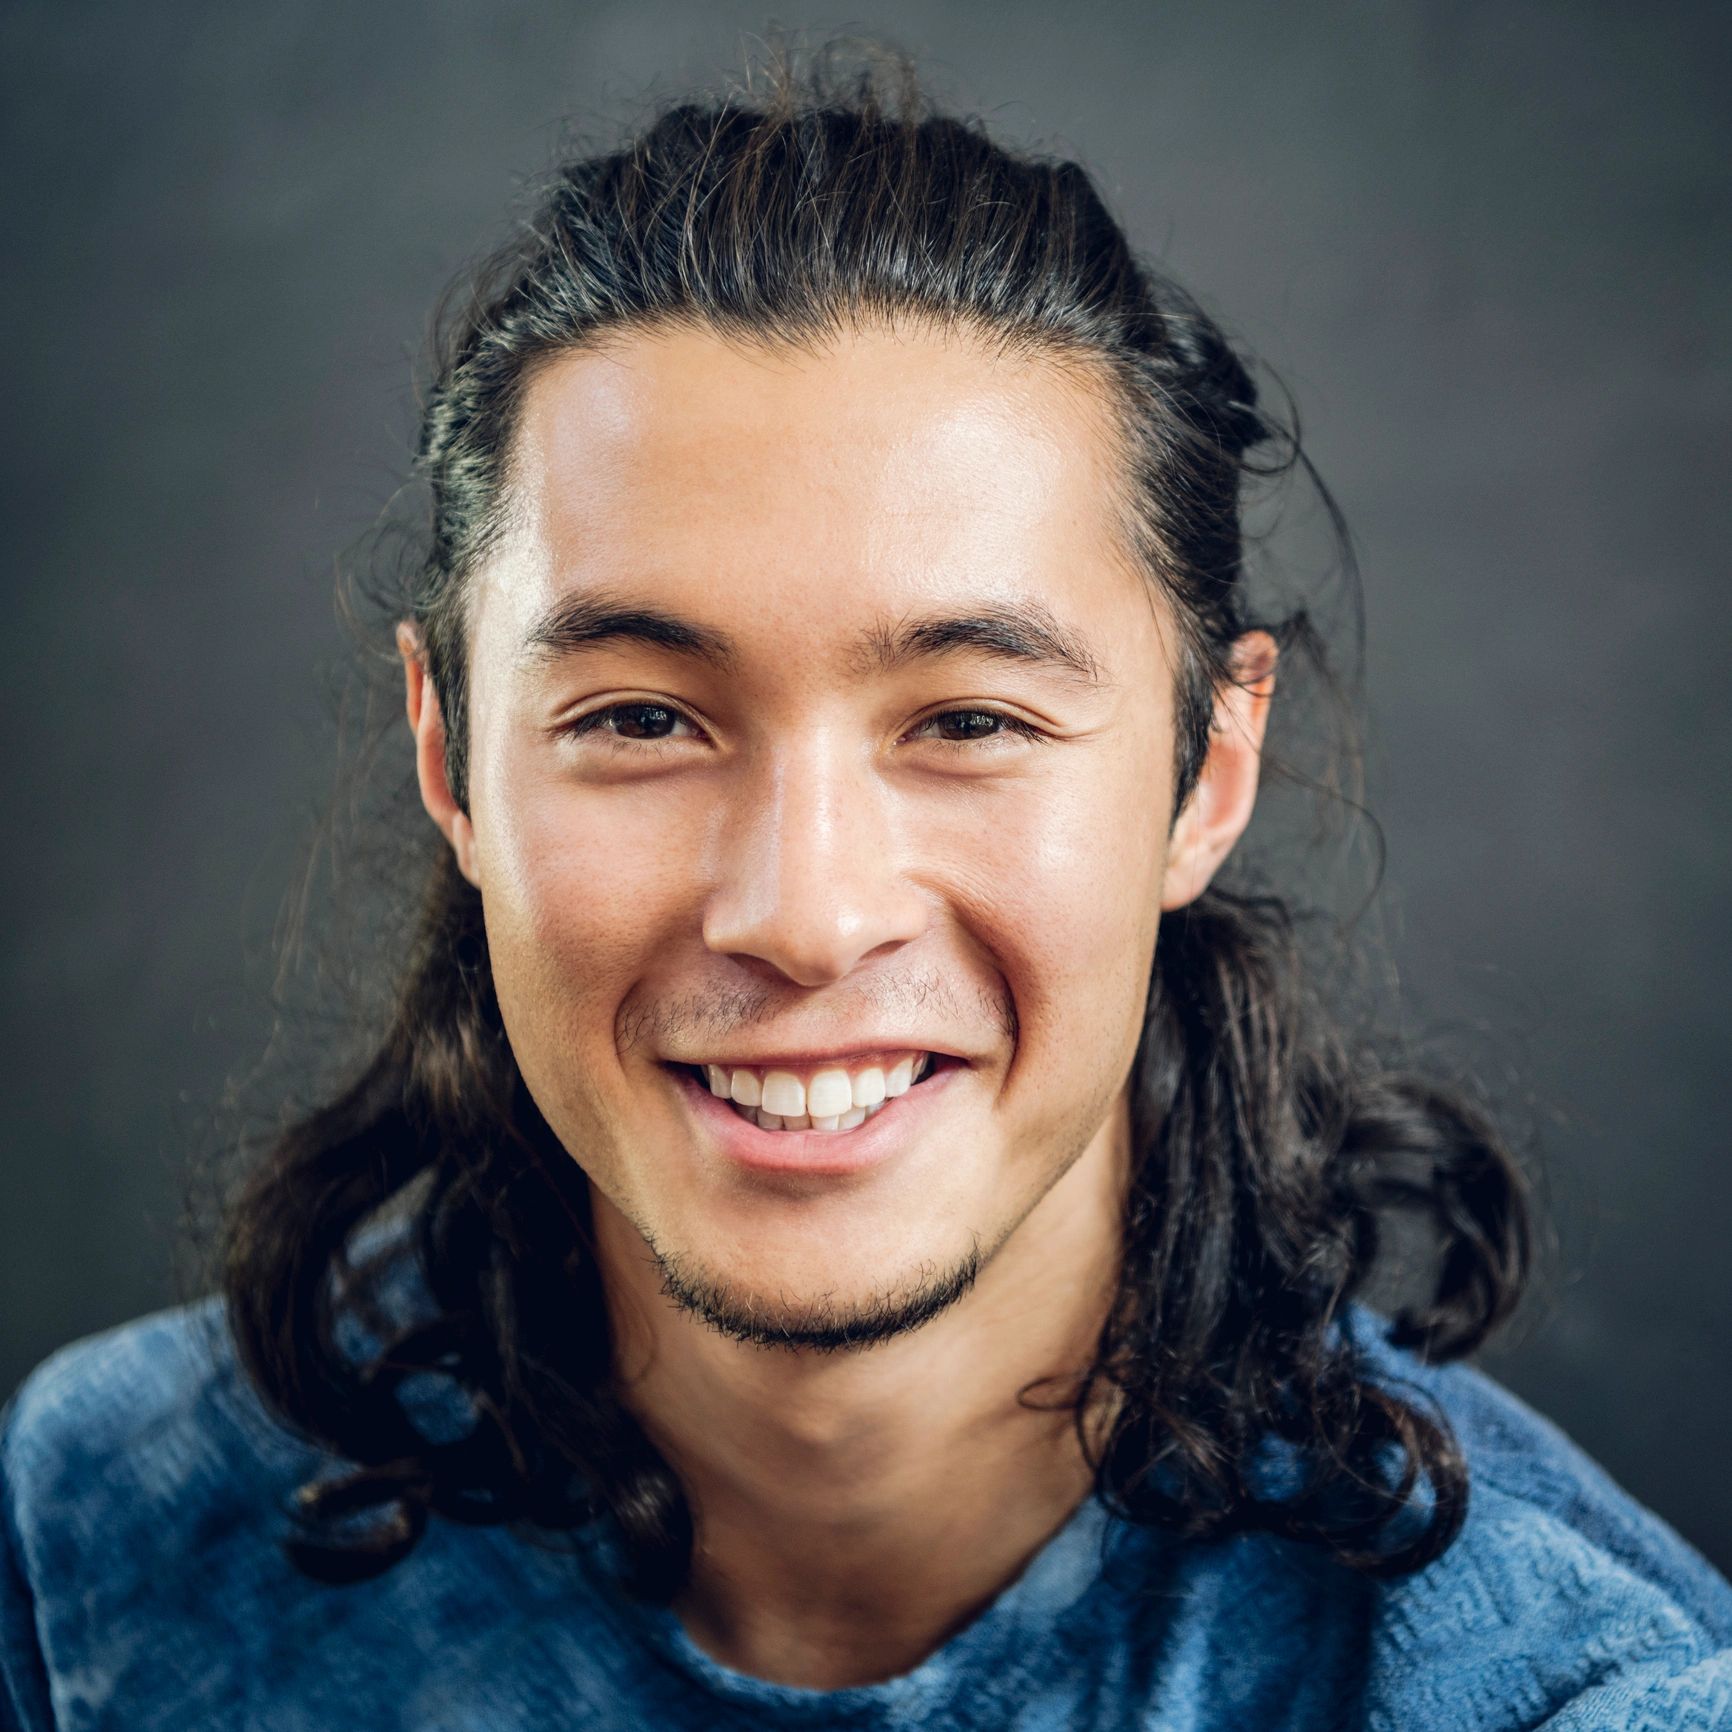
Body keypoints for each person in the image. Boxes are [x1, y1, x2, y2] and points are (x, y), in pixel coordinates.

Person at [4, 49, 1729, 1732]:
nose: (807, 914)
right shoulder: (97, 1560)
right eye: (638, 718)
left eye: (971, 719)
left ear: (1210, 774)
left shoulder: (1570, 1690)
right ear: (450, 759)